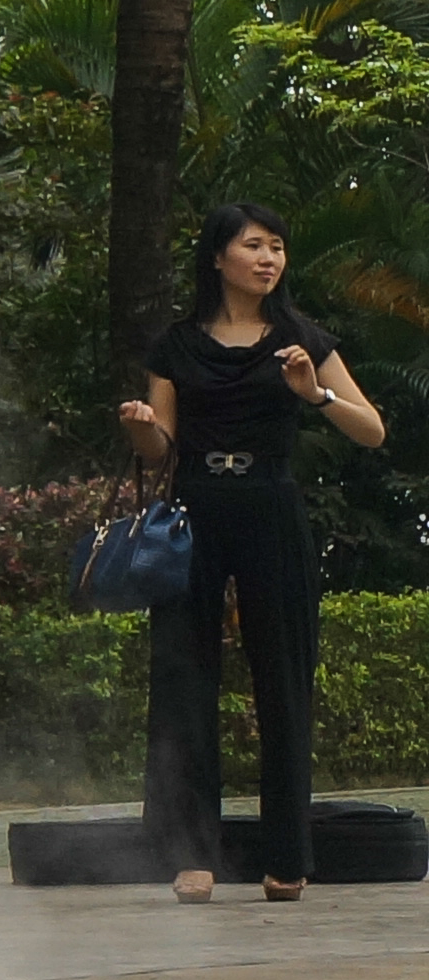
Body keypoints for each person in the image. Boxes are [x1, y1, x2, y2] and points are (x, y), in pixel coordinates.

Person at [119, 202, 385, 903]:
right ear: (217, 258)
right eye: (253, 246)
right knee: (184, 679)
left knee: (284, 679)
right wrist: (143, 426)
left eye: (277, 247)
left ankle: (288, 857)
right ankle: (191, 853)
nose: (268, 259)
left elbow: (372, 431)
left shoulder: (302, 338)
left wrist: (315, 392)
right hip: (194, 511)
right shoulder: (177, 345)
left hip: (271, 508)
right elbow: (162, 451)